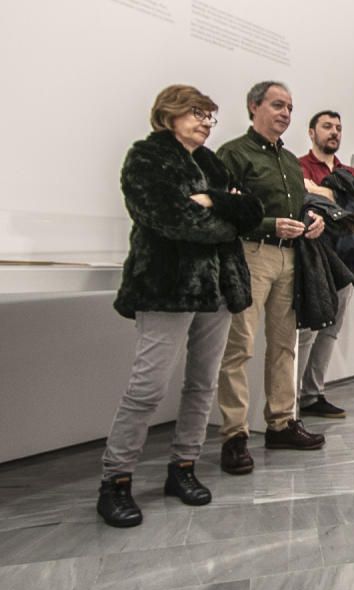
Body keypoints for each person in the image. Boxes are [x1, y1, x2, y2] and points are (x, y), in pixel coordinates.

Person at [98, 85, 263, 527]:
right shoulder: (146, 158)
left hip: (219, 290)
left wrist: (215, 202)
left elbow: (250, 210)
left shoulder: (212, 162)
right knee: (147, 388)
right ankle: (116, 480)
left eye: (210, 115)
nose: (207, 122)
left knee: (203, 384)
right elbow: (171, 219)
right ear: (168, 115)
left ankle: (184, 467)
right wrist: (224, 218)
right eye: (197, 113)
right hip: (166, 287)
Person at [216, 81, 327, 476]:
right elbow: (220, 209)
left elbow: (299, 206)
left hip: (290, 259)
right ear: (253, 106)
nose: (286, 113)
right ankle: (234, 435)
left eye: (290, 108)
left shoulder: (291, 162)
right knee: (240, 346)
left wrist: (312, 221)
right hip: (252, 254)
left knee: (285, 345)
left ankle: (281, 422)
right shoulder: (233, 153)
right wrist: (267, 224)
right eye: (277, 105)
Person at [296, 110, 354, 418]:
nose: (334, 132)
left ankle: (313, 394)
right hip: (315, 259)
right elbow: (301, 201)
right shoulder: (299, 166)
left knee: (330, 331)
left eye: (338, 127)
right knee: (307, 330)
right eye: (327, 127)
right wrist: (341, 201)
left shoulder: (350, 171)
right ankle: (292, 398)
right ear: (311, 132)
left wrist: (321, 192)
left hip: (345, 262)